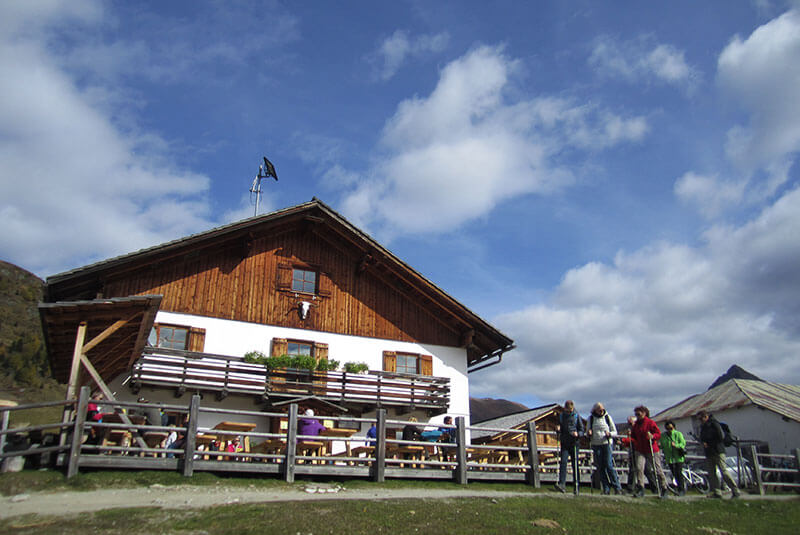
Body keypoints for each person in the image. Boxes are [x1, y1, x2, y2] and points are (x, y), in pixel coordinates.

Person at [697, 410, 741, 499]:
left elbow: (720, 437)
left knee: (723, 471)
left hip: (718, 450)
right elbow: (702, 437)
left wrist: (709, 443)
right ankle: (717, 492)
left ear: (706, 416)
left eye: (701, 418)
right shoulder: (703, 427)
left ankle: (735, 489)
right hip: (709, 452)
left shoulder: (714, 424)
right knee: (712, 473)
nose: (700, 421)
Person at [630, 405, 669, 497]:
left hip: (651, 449)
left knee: (657, 468)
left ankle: (664, 487)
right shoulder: (636, 425)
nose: (637, 415)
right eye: (636, 414)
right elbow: (634, 435)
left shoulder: (650, 423)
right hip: (640, 449)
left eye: (639, 413)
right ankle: (641, 487)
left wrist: (652, 436)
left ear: (644, 413)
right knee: (639, 468)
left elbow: (658, 434)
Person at [587, 402, 622, 495]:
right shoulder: (590, 419)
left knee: (608, 465)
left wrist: (609, 434)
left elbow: (615, 431)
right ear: (595, 410)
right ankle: (606, 488)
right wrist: (589, 433)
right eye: (599, 410)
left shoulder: (607, 418)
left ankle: (617, 487)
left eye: (602, 409)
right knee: (600, 467)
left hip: (606, 443)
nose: (601, 411)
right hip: (596, 443)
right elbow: (588, 431)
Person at [555, 400, 584, 494]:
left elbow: (582, 429)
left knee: (575, 464)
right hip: (564, 443)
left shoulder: (576, 416)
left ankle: (576, 485)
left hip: (574, 443)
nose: (569, 412)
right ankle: (562, 484)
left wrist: (578, 434)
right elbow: (560, 428)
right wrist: (558, 429)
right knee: (563, 463)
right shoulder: (562, 416)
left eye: (570, 410)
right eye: (568, 410)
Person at [660, 420, 687, 495]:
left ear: (674, 427)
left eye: (671, 428)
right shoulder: (663, 436)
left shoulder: (678, 434)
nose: (669, 430)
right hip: (669, 458)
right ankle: (678, 488)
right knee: (674, 473)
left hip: (678, 457)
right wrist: (659, 446)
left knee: (679, 472)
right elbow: (662, 445)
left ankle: (681, 489)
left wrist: (676, 445)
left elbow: (683, 443)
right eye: (667, 428)